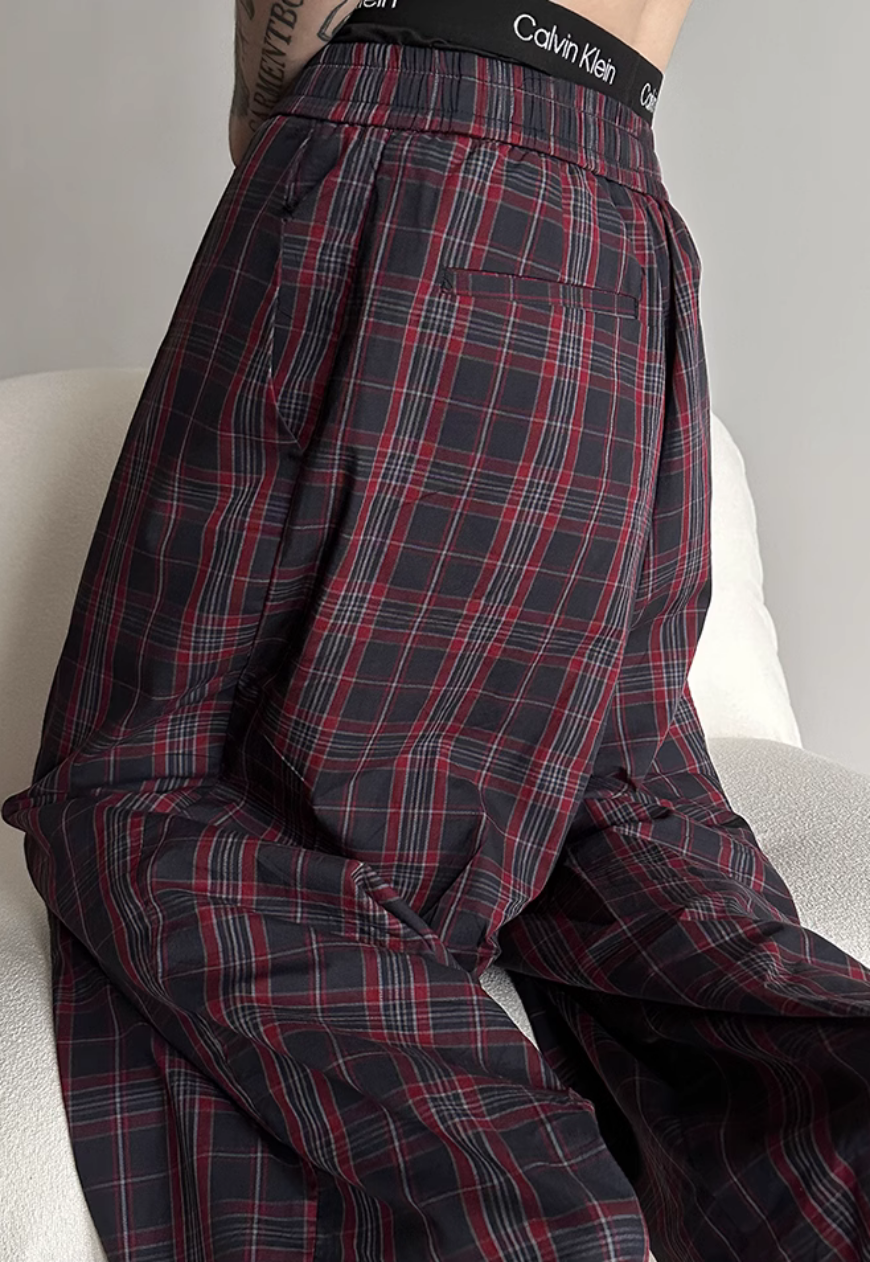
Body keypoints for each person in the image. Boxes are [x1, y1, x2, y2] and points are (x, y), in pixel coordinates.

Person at [4, 1, 870, 1259]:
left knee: (146, 788)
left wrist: (284, 126)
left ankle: (528, 1213)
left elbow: (286, 35)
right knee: (611, 806)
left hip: (406, 150)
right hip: (621, 225)